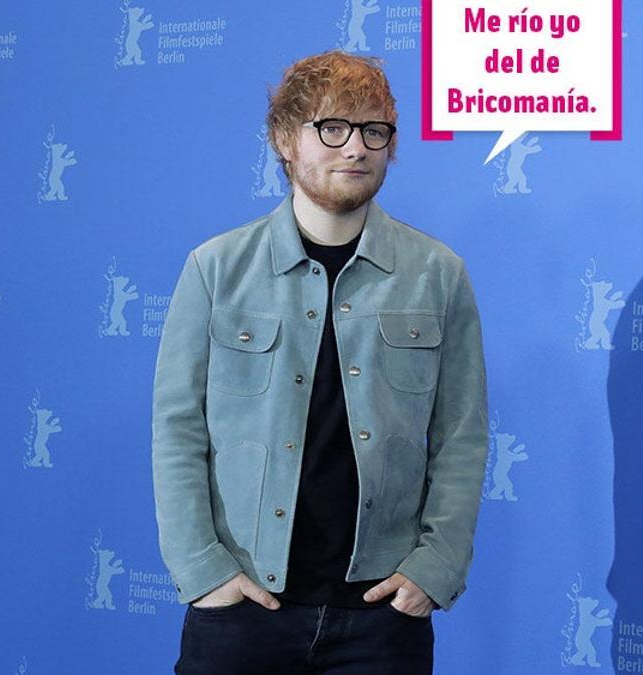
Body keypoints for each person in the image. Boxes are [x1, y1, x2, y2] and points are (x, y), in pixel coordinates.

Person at [151, 50, 489, 674]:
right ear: (285, 139)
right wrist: (203, 572)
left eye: (373, 131)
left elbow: (461, 437)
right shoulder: (216, 269)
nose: (354, 148)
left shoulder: (437, 275)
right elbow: (178, 430)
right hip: (244, 608)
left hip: (381, 619)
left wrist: (435, 569)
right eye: (331, 128)